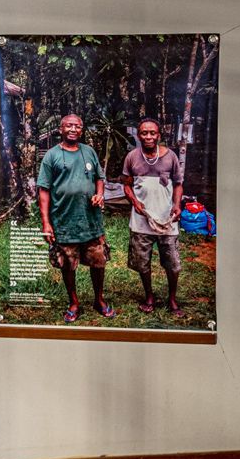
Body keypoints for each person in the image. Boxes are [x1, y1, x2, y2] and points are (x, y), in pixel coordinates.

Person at [36, 113, 112, 322]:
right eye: (68, 126)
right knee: (68, 264)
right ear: (61, 129)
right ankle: (74, 302)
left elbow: (99, 178)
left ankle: (99, 300)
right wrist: (46, 223)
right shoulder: (52, 155)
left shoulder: (89, 152)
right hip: (64, 221)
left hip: (91, 221)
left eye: (77, 126)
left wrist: (100, 194)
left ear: (82, 129)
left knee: (99, 262)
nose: (73, 129)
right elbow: (43, 190)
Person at [120, 118, 183, 316]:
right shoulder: (132, 157)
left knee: (172, 264)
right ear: (139, 135)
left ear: (158, 135)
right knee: (142, 262)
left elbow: (178, 184)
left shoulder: (170, 156)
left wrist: (176, 205)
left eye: (152, 133)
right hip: (141, 220)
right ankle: (149, 296)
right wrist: (135, 202)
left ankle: (172, 299)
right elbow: (127, 184)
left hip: (167, 219)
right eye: (144, 133)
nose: (148, 136)